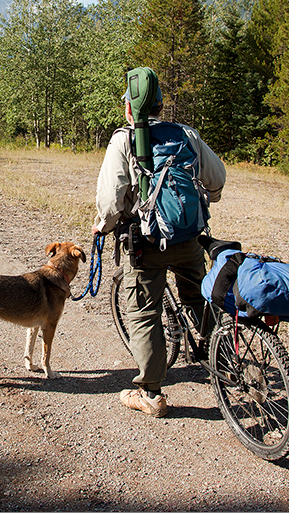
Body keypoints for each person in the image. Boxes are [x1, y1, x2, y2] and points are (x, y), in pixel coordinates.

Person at [92, 69, 226, 417]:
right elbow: (217, 178)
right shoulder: (186, 134)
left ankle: (150, 393)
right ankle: (225, 362)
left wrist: (103, 227)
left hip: (145, 244)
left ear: (128, 107)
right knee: (199, 297)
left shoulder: (123, 140)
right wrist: (211, 197)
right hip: (189, 237)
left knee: (142, 310)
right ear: (160, 106)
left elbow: (110, 198)